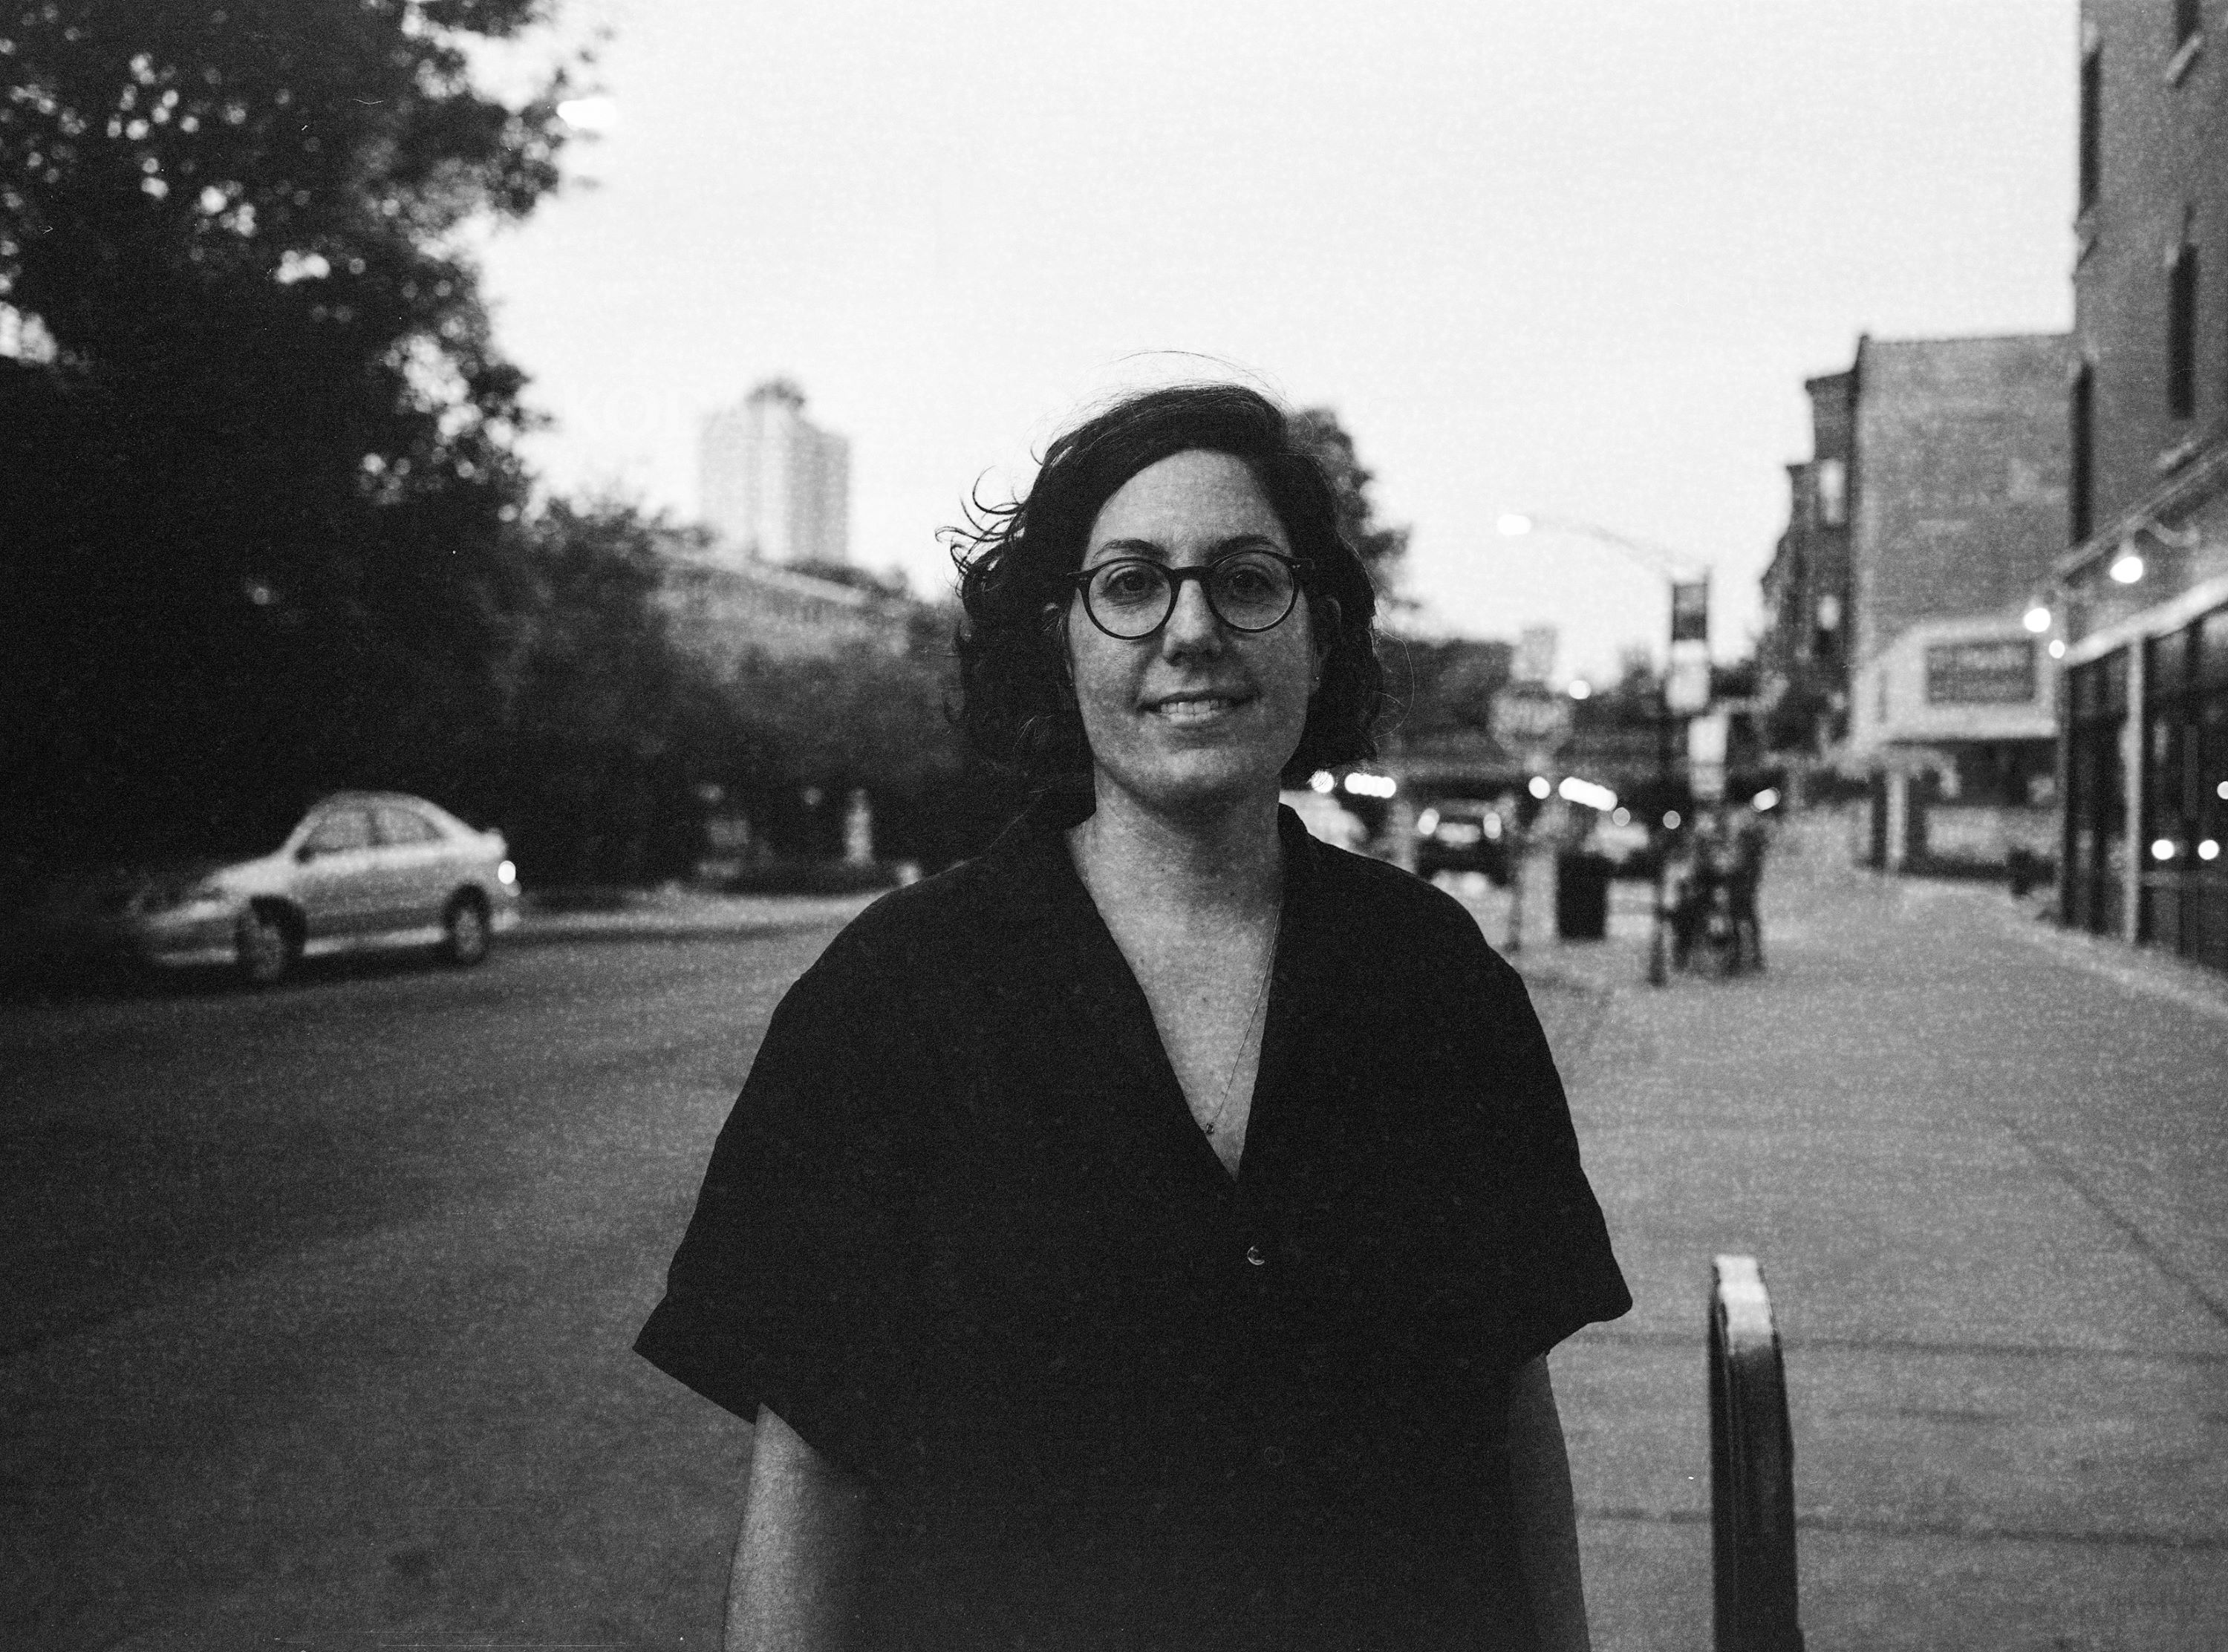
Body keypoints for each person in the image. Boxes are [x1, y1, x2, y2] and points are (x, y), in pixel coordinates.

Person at [635, 384, 1632, 1651]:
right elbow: (812, 1474)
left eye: (1246, 578)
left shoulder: (1434, 983)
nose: (1192, 628)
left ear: (1318, 632)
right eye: (1132, 582)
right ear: (1062, 639)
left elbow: (1510, 1411)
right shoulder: (894, 1003)